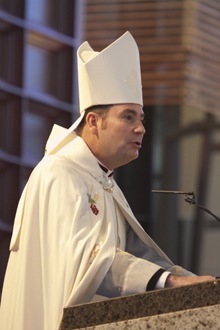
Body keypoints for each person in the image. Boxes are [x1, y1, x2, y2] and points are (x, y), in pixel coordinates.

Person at [0, 31, 214, 330]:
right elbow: (89, 260)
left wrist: (192, 282)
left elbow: (133, 253)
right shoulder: (60, 174)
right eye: (128, 117)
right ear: (94, 122)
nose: (140, 128)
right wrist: (170, 282)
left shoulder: (102, 181)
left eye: (141, 118)